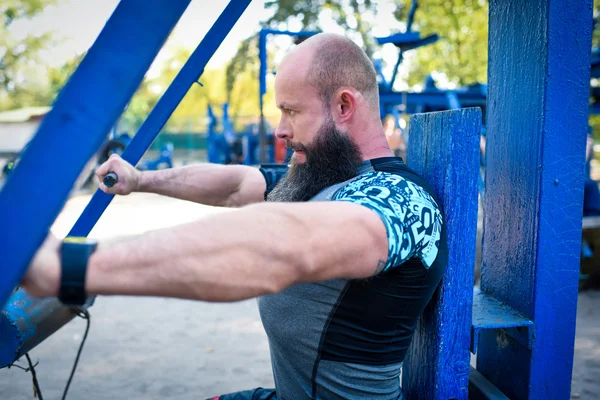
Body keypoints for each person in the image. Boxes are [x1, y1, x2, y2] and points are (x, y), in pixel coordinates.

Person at [23, 33, 448, 400]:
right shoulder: (324, 176)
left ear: (342, 106)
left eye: (292, 112)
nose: (280, 129)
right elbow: (235, 185)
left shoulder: (401, 200)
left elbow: (283, 248)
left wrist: (71, 267)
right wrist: (142, 180)